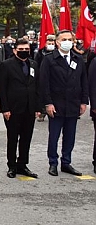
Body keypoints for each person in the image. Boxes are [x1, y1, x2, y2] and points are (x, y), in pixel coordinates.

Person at [39, 30, 88, 177]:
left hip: (73, 103)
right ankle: (53, 162)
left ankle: (66, 162)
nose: (67, 42)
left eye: (70, 39)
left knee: (70, 135)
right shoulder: (49, 59)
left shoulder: (78, 59)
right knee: (54, 136)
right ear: (57, 42)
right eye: (64, 39)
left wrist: (84, 101)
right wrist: (48, 103)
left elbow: (83, 81)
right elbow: (44, 83)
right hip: (56, 104)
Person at [0, 38, 40, 178]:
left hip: (29, 108)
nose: (24, 52)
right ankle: (12, 166)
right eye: (21, 50)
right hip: (13, 108)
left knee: (26, 138)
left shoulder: (33, 64)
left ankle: (22, 164)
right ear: (15, 50)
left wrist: (37, 107)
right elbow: (2, 88)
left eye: (26, 50)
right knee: (12, 138)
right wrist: (5, 109)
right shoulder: (6, 65)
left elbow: (36, 86)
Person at [34, 34, 56, 122]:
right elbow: (36, 64)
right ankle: (42, 112)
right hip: (42, 76)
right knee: (42, 94)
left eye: (52, 42)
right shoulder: (40, 52)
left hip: (54, 77)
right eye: (49, 42)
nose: (50, 44)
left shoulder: (58, 52)